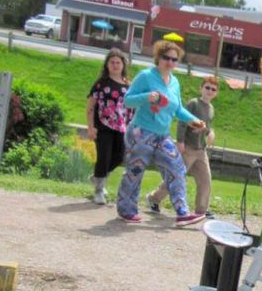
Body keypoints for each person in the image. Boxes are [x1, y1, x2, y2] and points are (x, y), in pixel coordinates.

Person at [116, 40, 206, 226]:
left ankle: (182, 212)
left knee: (177, 168)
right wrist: (146, 97)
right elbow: (128, 101)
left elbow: (178, 109)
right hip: (141, 132)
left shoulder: (175, 82)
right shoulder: (146, 76)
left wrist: (194, 121)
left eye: (174, 59)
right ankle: (126, 210)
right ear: (158, 57)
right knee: (135, 170)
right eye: (167, 58)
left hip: (162, 135)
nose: (170, 62)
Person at [146, 76, 219, 218]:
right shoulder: (193, 103)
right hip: (188, 148)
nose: (209, 91)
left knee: (205, 180)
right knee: (176, 176)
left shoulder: (211, 109)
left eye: (213, 89)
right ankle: (154, 198)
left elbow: (206, 126)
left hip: (201, 150)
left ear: (216, 93)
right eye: (207, 87)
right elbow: (182, 121)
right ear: (201, 88)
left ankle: (201, 210)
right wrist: (180, 142)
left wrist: (210, 132)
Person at [86, 48, 133, 205]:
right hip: (103, 125)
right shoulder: (101, 84)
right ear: (106, 65)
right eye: (112, 62)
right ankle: (99, 190)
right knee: (103, 157)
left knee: (119, 156)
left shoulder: (128, 84)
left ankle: (97, 177)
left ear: (123, 64)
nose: (115, 65)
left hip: (121, 127)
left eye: (118, 62)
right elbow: (90, 107)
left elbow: (131, 107)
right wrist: (91, 127)